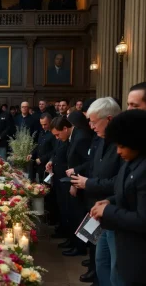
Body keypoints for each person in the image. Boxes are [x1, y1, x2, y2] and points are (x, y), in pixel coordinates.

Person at [70, 98, 122, 285]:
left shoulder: (122, 145)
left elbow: (120, 182)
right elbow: (92, 166)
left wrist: (89, 183)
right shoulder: (100, 140)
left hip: (114, 211)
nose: (90, 126)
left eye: (93, 121)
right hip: (96, 208)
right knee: (101, 262)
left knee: (115, 268)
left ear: (108, 119)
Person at [91, 109, 146, 286]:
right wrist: (110, 201)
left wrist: (108, 209)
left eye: (122, 146)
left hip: (135, 249)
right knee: (104, 266)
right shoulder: (131, 161)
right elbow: (125, 192)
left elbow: (143, 219)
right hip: (118, 232)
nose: (118, 151)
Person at [50, 115, 91, 256]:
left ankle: (80, 247)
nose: (56, 138)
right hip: (73, 181)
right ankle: (73, 242)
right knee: (72, 214)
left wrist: (75, 171)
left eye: (57, 134)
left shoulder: (81, 138)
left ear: (65, 128)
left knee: (79, 216)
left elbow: (89, 162)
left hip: (81, 183)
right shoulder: (72, 136)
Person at [27, 113, 56, 182]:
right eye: (41, 124)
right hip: (39, 165)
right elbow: (39, 146)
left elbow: (55, 151)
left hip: (48, 165)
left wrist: (42, 159)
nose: (43, 126)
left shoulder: (54, 134)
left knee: (47, 186)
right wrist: (32, 154)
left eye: (45, 124)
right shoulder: (42, 132)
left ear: (50, 122)